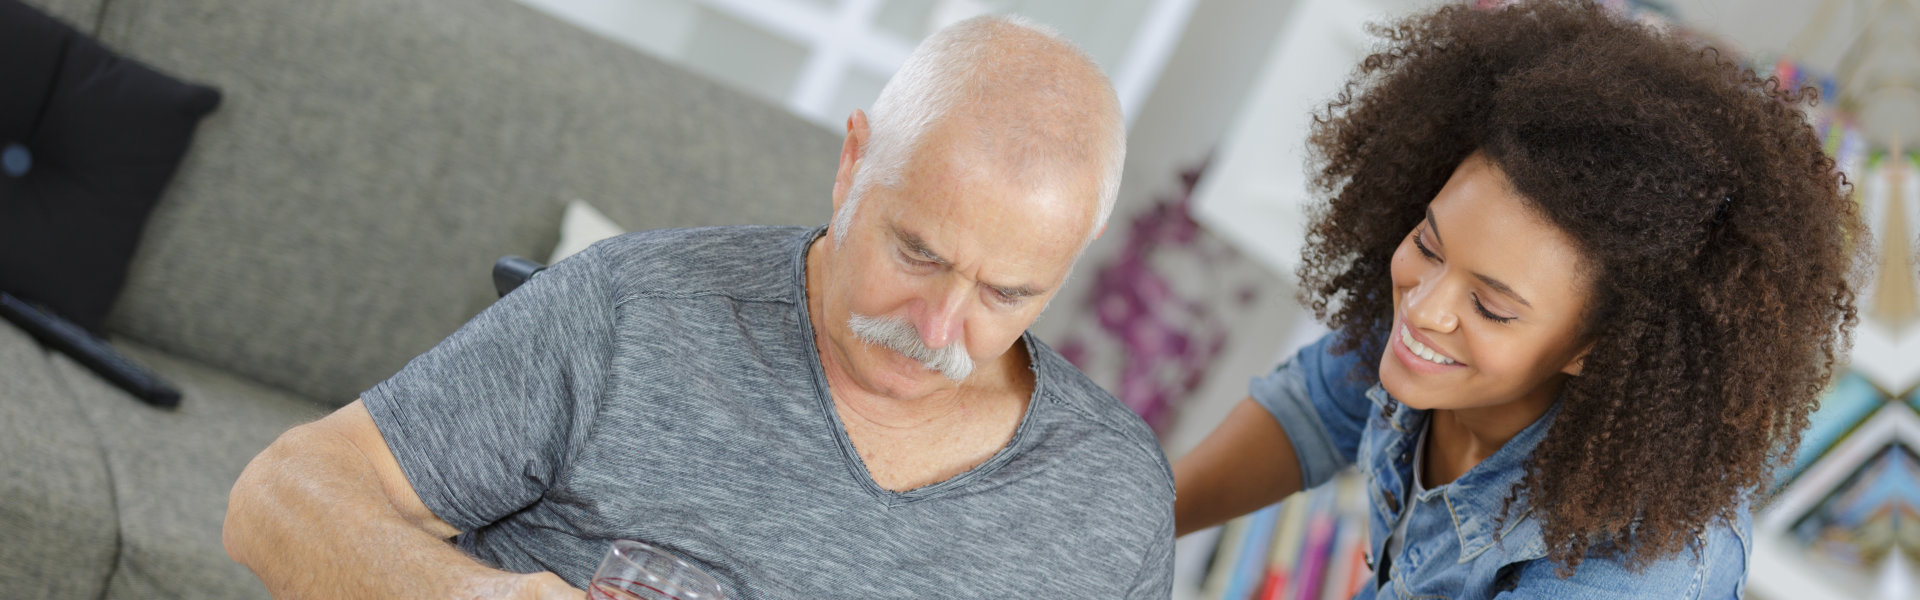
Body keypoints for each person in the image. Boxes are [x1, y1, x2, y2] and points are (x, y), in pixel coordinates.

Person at [222, 15, 1175, 599]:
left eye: (1007, 293)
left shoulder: (1115, 497)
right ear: (854, 161)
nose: (936, 331)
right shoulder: (635, 307)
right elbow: (279, 496)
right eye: (916, 251)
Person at [1172, 1, 1864, 598]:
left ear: (1600, 348)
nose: (1425, 309)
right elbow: (1312, 411)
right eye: (1428, 244)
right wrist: (1122, 523)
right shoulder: (1429, 318)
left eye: (1492, 308)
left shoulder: (1635, 566)